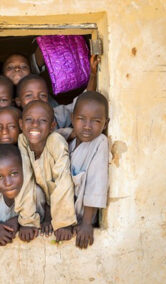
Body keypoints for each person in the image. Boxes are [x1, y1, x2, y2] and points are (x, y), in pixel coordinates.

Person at [16, 100, 77, 242]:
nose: (35, 124)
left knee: (65, 185)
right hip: (41, 200)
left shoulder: (56, 140)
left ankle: (56, 218)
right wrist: (27, 221)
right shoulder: (23, 140)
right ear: (21, 124)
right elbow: (26, 178)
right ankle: (41, 219)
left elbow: (63, 179)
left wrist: (63, 223)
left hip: (63, 199)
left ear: (52, 126)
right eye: (29, 120)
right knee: (30, 186)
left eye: (42, 120)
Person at [68, 91, 109, 249]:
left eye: (96, 121)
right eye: (81, 119)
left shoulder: (100, 142)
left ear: (105, 124)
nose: (87, 126)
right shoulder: (67, 142)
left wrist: (86, 224)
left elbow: (96, 182)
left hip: (84, 217)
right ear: (72, 118)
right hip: (64, 217)